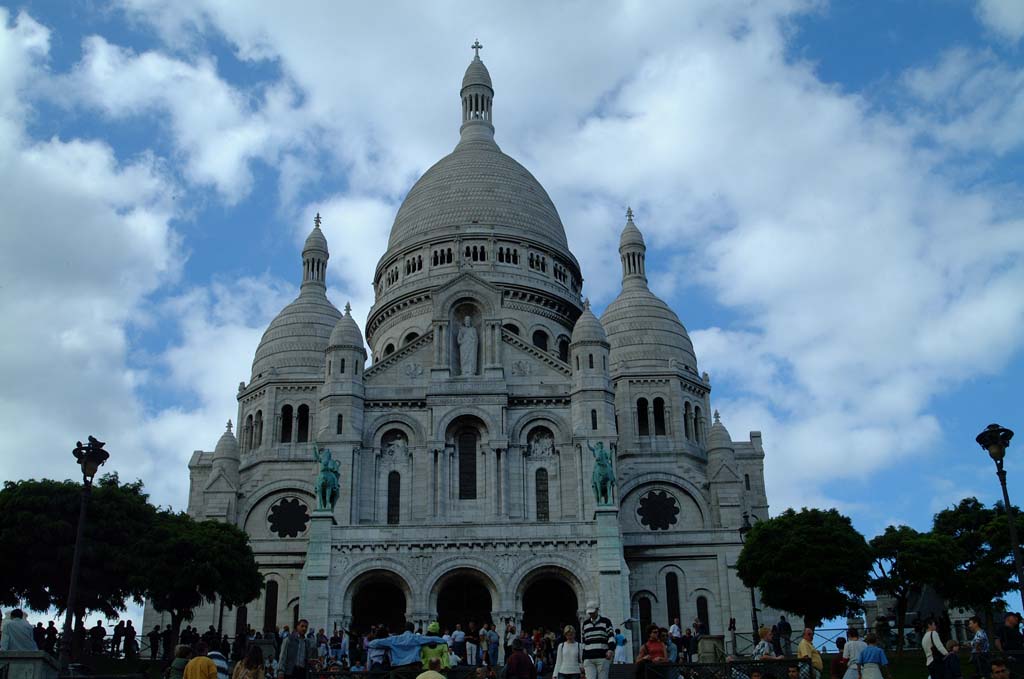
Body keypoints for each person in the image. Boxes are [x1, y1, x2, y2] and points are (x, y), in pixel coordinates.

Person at [369, 621, 446, 669]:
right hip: (413, 668)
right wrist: (444, 641)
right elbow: (433, 639)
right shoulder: (416, 638)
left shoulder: (394, 639)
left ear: (404, 629)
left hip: (398, 668)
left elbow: (372, 644)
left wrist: (386, 645)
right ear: (413, 630)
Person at [581, 602, 615, 679]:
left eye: (592, 612)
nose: (591, 614)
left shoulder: (606, 622)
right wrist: (583, 659)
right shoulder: (585, 624)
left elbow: (611, 637)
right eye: (590, 613)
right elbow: (584, 642)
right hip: (588, 658)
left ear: (597, 610)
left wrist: (610, 650)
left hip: (602, 657)